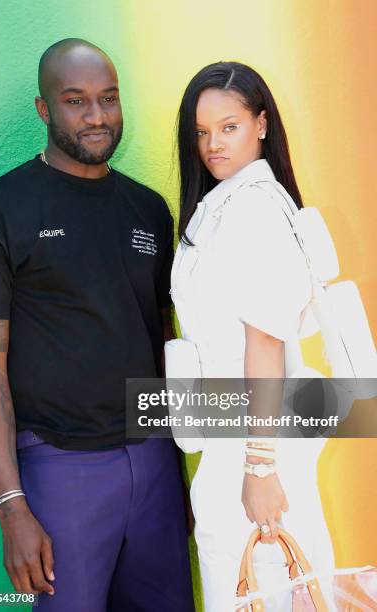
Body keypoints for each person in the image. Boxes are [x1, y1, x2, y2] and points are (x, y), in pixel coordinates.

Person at [0, 38, 195, 612]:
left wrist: (185, 470)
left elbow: (165, 341)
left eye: (109, 98)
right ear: (45, 109)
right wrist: (11, 505)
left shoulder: (149, 210)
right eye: (75, 101)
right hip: (60, 468)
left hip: (154, 458)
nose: (97, 116)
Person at [167, 62, 336, 611]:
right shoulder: (229, 204)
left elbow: (265, 342)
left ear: (262, 124)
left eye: (229, 126)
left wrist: (260, 467)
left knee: (264, 584)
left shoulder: (254, 211)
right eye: (200, 132)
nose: (212, 144)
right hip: (233, 434)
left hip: (256, 438)